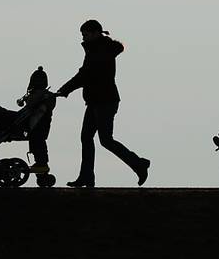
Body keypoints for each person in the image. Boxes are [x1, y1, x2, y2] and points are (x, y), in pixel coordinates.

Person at [58, 20, 150, 188]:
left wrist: (65, 89)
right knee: (87, 137)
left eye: (85, 34)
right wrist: (65, 89)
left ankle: (138, 164)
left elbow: (86, 74)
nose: (83, 38)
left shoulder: (100, 51)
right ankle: (86, 176)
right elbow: (85, 74)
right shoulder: (97, 49)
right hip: (95, 101)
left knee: (105, 140)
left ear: (95, 33)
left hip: (105, 100)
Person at [19, 66, 56, 175]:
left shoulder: (39, 96)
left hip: (37, 124)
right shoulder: (47, 96)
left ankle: (42, 163)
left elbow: (30, 105)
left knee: (37, 142)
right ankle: (41, 163)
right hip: (41, 124)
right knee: (37, 142)